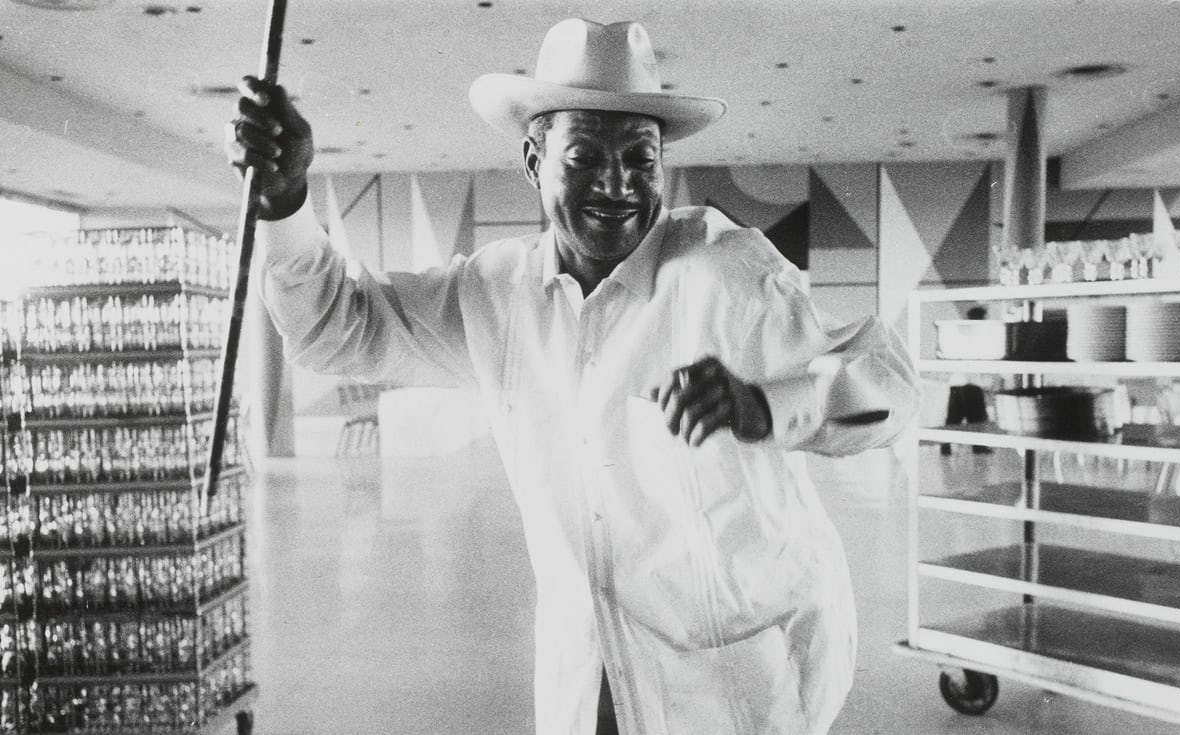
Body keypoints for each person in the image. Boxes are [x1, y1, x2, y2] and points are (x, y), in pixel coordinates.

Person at [228, 18, 919, 735]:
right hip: (588, 682)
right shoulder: (497, 293)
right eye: (585, 154)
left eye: (638, 157)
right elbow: (339, 325)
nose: (616, 183)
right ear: (533, 160)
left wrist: (764, 405)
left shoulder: (725, 270)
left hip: (731, 693)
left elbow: (891, 382)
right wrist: (285, 200)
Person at [940, 306, 992, 454]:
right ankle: (979, 446)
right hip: (972, 383)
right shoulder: (981, 335)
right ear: (982, 318)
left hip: (956, 382)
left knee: (953, 418)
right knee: (977, 417)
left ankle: (946, 446)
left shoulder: (960, 332)